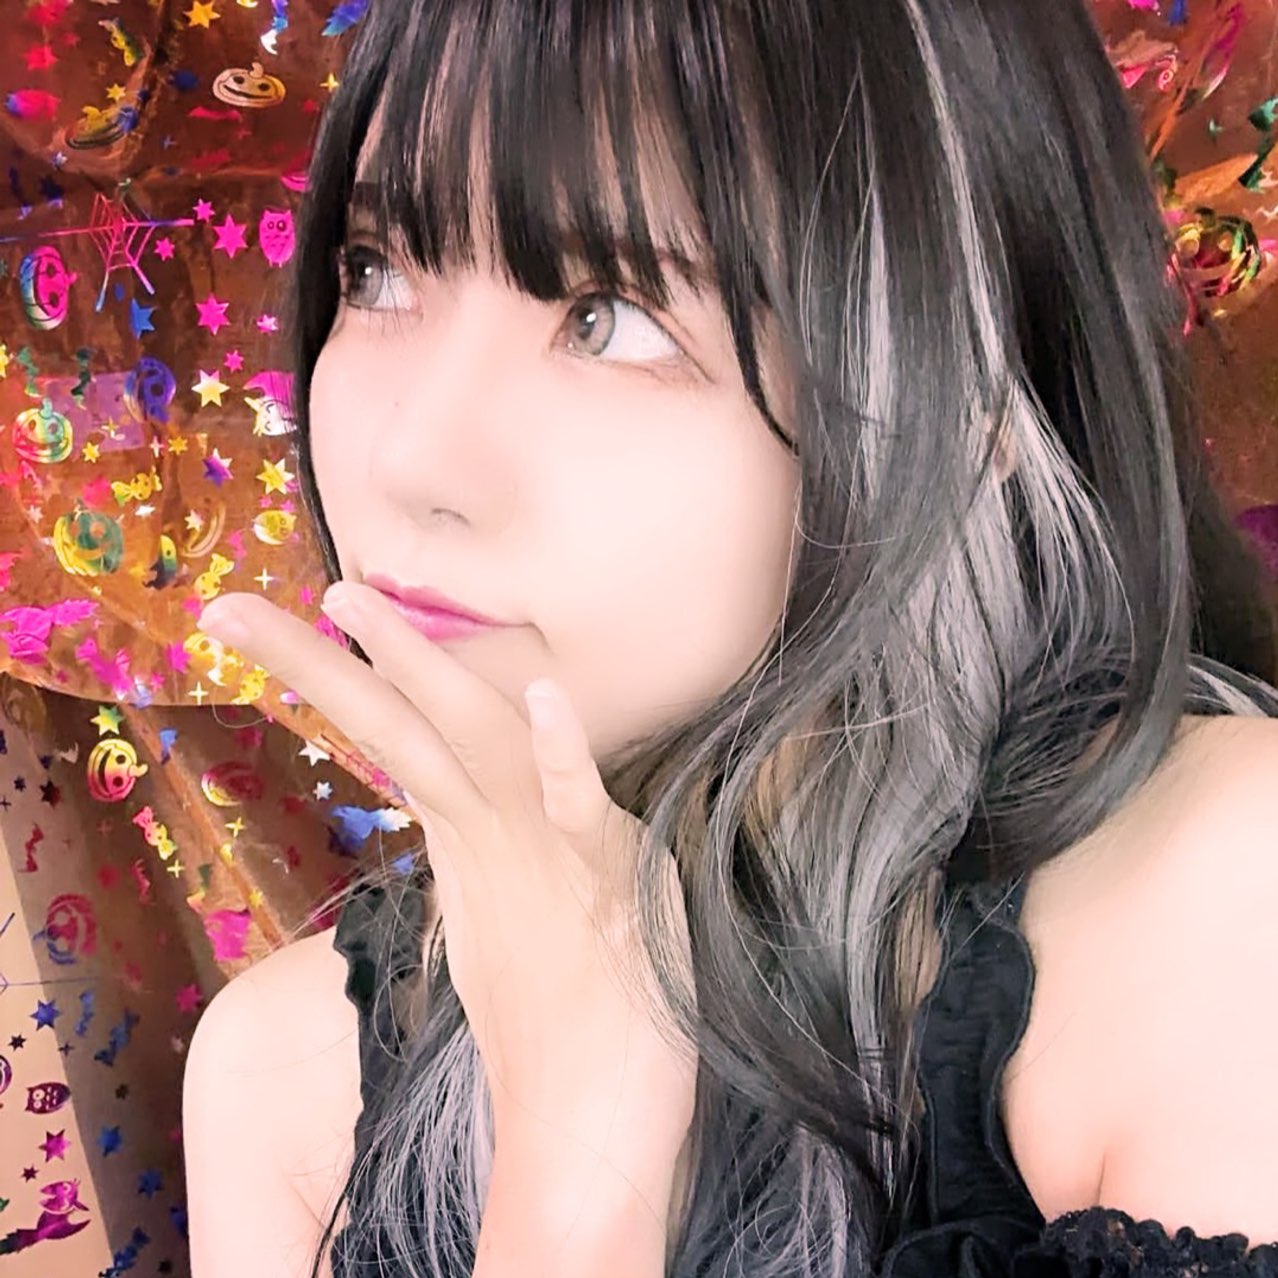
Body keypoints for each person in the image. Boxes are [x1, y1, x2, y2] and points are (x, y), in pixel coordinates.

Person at [180, 0, 1278, 1274]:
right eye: (377, 271)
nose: (412, 457)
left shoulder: (1216, 904)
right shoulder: (284, 1079)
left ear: (965, 399)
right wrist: (573, 1145)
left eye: (608, 315)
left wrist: (591, 1163)